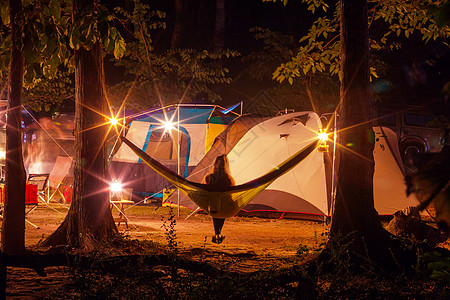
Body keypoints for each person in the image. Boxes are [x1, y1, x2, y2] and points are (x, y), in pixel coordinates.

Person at [203, 154, 235, 244]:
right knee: (221, 214)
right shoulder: (228, 179)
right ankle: (218, 233)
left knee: (216, 213)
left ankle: (217, 233)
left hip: (213, 204)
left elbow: (206, 188)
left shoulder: (210, 177)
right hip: (225, 205)